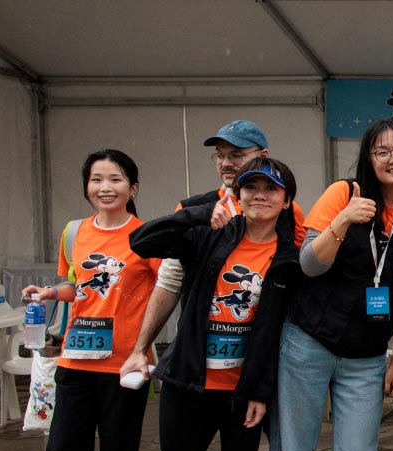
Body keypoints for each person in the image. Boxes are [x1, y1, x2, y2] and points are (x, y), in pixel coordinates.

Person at [271, 118, 393, 451]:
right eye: (382, 152)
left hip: (366, 356)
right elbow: (309, 265)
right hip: (308, 341)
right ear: (369, 159)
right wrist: (343, 221)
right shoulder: (344, 194)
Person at [128, 159, 301, 451]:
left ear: (287, 201)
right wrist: (195, 214)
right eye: (250, 187)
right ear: (238, 195)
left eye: (271, 189)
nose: (260, 195)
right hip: (187, 383)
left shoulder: (290, 260)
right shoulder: (208, 236)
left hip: (241, 393)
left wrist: (260, 392)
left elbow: (275, 336)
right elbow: (140, 241)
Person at [131, 120, 306, 406]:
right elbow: (169, 281)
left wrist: (263, 386)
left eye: (236, 155)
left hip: (251, 372)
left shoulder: (288, 211)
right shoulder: (194, 208)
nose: (226, 163)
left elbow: (292, 285)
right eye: (220, 155)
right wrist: (140, 347)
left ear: (262, 155)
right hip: (195, 364)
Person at [23, 149, 159, 451]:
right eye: (96, 179)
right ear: (87, 186)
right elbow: (79, 286)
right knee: (62, 450)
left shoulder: (149, 236)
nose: (105, 187)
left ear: (133, 188)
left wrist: (144, 347)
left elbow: (166, 291)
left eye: (115, 179)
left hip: (124, 364)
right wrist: (51, 292)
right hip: (76, 359)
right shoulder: (74, 232)